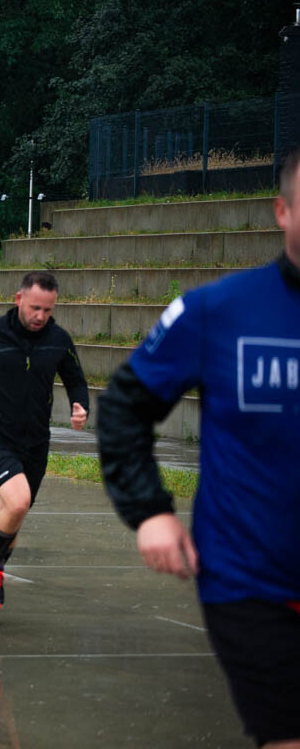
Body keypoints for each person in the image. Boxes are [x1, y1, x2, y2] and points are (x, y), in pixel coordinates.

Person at [97, 149, 300, 749]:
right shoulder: (218, 311)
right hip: (251, 582)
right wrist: (150, 511)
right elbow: (125, 407)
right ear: (283, 211)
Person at [0, 270, 89, 625]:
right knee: (18, 500)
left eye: (48, 309)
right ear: (19, 300)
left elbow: (75, 377)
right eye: (35, 308)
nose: (41, 316)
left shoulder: (58, 339)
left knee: (13, 514)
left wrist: (79, 403)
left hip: (35, 441)